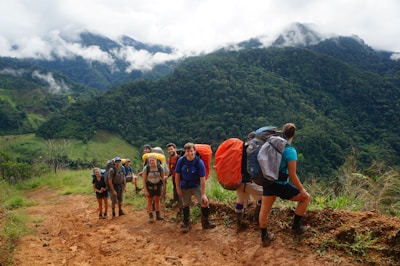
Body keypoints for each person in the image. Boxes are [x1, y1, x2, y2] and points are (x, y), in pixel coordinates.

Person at [258, 123, 311, 246]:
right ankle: (296, 227)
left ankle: (264, 237)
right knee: (306, 198)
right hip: (281, 185)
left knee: (264, 211)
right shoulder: (290, 151)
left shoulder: (271, 144)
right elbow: (292, 176)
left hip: (268, 182)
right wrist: (302, 190)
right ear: (293, 134)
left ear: (282, 132)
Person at [175, 142, 216, 233]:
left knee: (205, 202)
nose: (189, 153)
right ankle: (186, 223)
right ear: (185, 152)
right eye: (187, 151)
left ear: (194, 151)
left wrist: (203, 194)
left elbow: (202, 179)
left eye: (191, 151)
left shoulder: (199, 162)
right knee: (185, 204)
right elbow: (177, 175)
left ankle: (205, 223)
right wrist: (177, 188)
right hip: (185, 186)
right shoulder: (181, 161)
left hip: (196, 185)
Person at [235, 132, 263, 231]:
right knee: (263, 198)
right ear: (252, 139)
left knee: (240, 201)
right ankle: (256, 219)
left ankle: (239, 223)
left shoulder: (239, 149)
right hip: (249, 182)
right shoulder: (252, 150)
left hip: (238, 181)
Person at [142, 154, 166, 223]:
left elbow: (163, 178)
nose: (151, 162)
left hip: (158, 186)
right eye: (150, 161)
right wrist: (145, 190)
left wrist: (164, 188)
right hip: (149, 186)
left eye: (153, 160)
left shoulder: (160, 167)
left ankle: (158, 215)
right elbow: (143, 180)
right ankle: (151, 216)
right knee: (150, 201)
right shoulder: (146, 168)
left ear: (156, 160)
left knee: (157, 200)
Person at [166, 143, 182, 213]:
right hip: (174, 177)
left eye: (171, 149)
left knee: (181, 192)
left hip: (181, 178)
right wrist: (167, 176)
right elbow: (170, 170)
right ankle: (176, 204)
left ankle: (181, 208)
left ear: (175, 149)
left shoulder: (180, 158)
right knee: (175, 191)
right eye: (168, 150)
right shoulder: (169, 160)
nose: (170, 151)